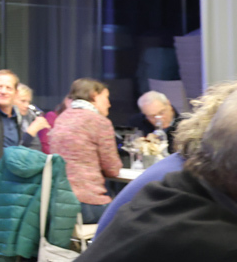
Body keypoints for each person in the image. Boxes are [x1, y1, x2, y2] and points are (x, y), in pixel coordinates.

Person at [55, 89, 237, 262]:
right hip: (88, 202)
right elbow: (112, 167)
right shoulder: (220, 249)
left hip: (69, 203)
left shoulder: (164, 191)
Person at [95, 80, 237, 236]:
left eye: (161, 113)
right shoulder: (188, 181)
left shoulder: (182, 166)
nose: (158, 119)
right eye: (151, 116)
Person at [47, 78, 122, 223]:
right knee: (132, 215)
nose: (109, 103)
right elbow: (112, 169)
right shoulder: (99, 122)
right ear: (94, 95)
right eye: (106, 98)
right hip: (87, 204)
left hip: (60, 204)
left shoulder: (61, 118)